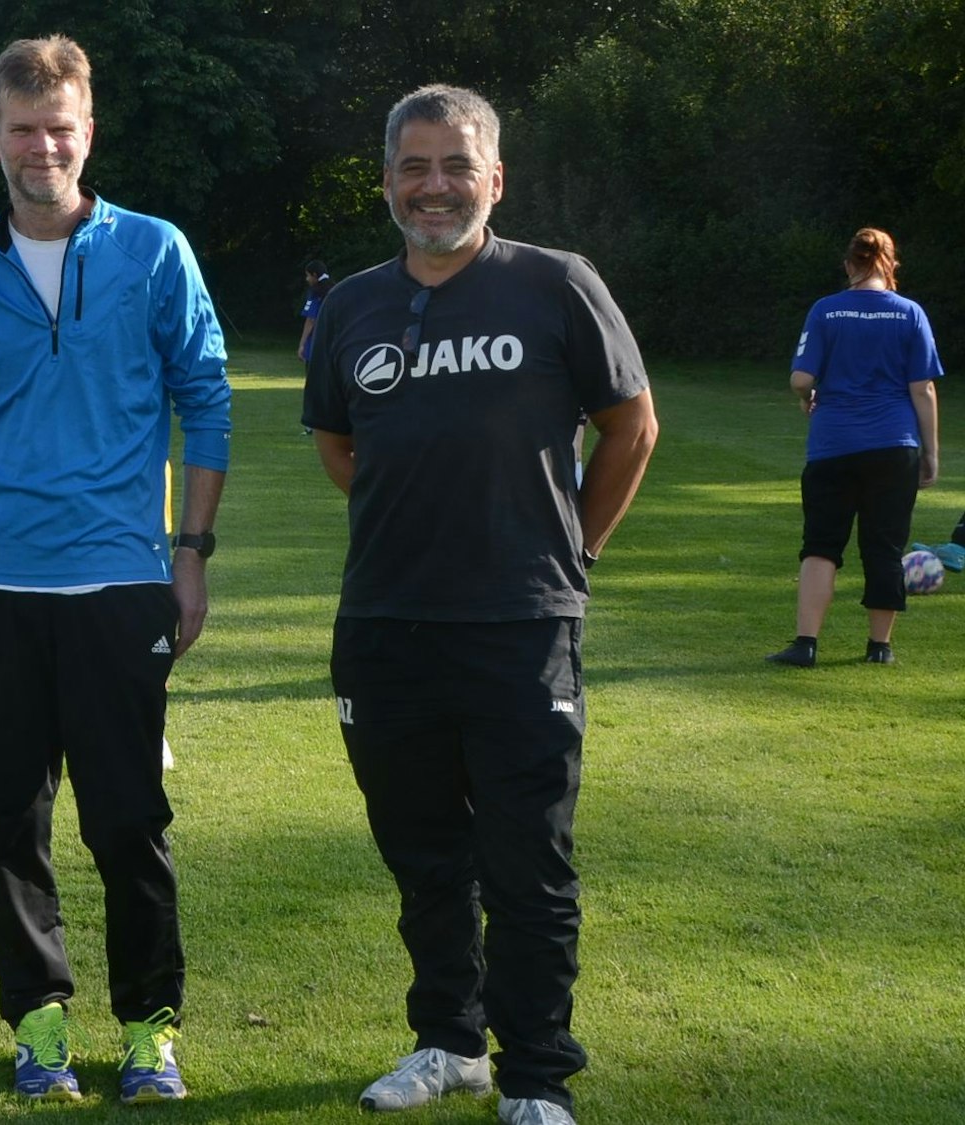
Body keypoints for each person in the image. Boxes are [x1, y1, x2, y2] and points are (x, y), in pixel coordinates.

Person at [300, 85, 657, 1125]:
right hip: (382, 625)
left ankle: (536, 1075)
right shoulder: (354, 306)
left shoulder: (554, 285)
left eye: (454, 165)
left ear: (493, 178)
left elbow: (629, 426)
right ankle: (447, 1043)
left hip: (519, 625)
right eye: (412, 167)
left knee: (526, 862)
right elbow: (337, 443)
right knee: (420, 855)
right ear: (385, 183)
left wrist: (571, 548)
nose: (433, 185)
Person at [0, 35, 232, 1106]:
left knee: (127, 822)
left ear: (86, 133)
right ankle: (38, 1024)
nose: (41, 145)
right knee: (8, 821)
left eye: (61, 127)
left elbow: (207, 400)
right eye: (22, 126)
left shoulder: (153, 250)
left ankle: (149, 1029)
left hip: (118, 586)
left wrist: (188, 555)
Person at [767, 228, 942, 667]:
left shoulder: (826, 311)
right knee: (884, 546)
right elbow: (923, 390)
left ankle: (805, 644)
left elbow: (801, 379)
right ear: (891, 264)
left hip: (834, 445)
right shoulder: (910, 314)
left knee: (822, 544)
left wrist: (807, 397)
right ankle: (879, 648)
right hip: (894, 445)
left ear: (849, 264)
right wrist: (931, 451)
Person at [297, 258, 333, 364]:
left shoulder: (315, 292)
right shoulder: (336, 289)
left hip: (315, 343)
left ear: (314, 275)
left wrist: (302, 344)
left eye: (308, 275)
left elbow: (311, 320)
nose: (307, 279)